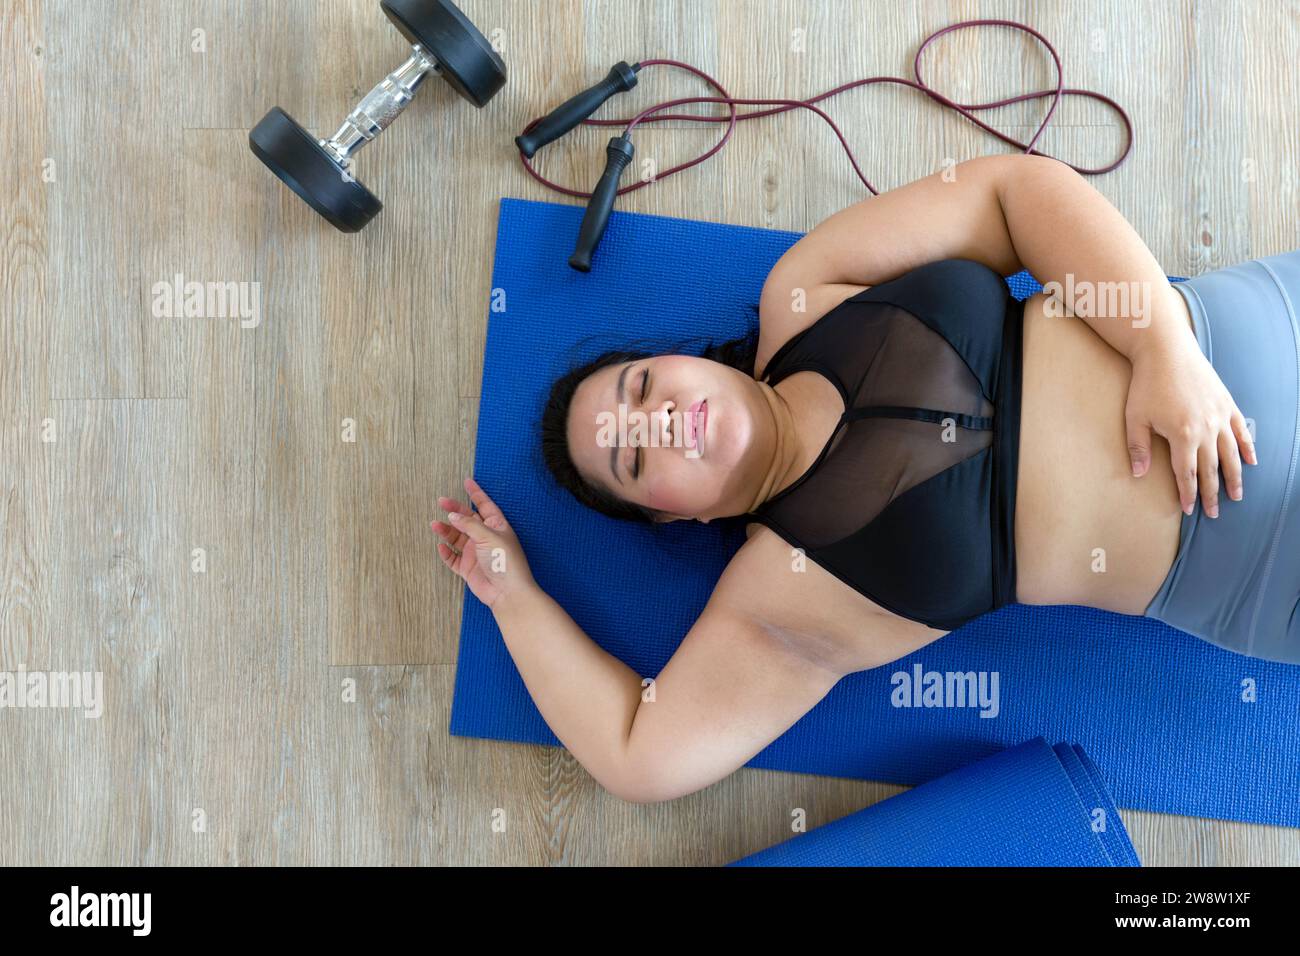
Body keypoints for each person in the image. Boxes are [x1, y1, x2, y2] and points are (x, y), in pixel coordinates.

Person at [432, 154, 1298, 804]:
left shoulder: (807, 288)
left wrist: (1161, 348)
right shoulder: (779, 596)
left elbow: (1014, 194)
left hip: (1244, 339)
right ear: (670, 520)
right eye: (632, 458)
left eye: (641, 388)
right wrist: (514, 598)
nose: (654, 421)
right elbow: (639, 755)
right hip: (1262, 562)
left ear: (677, 362)